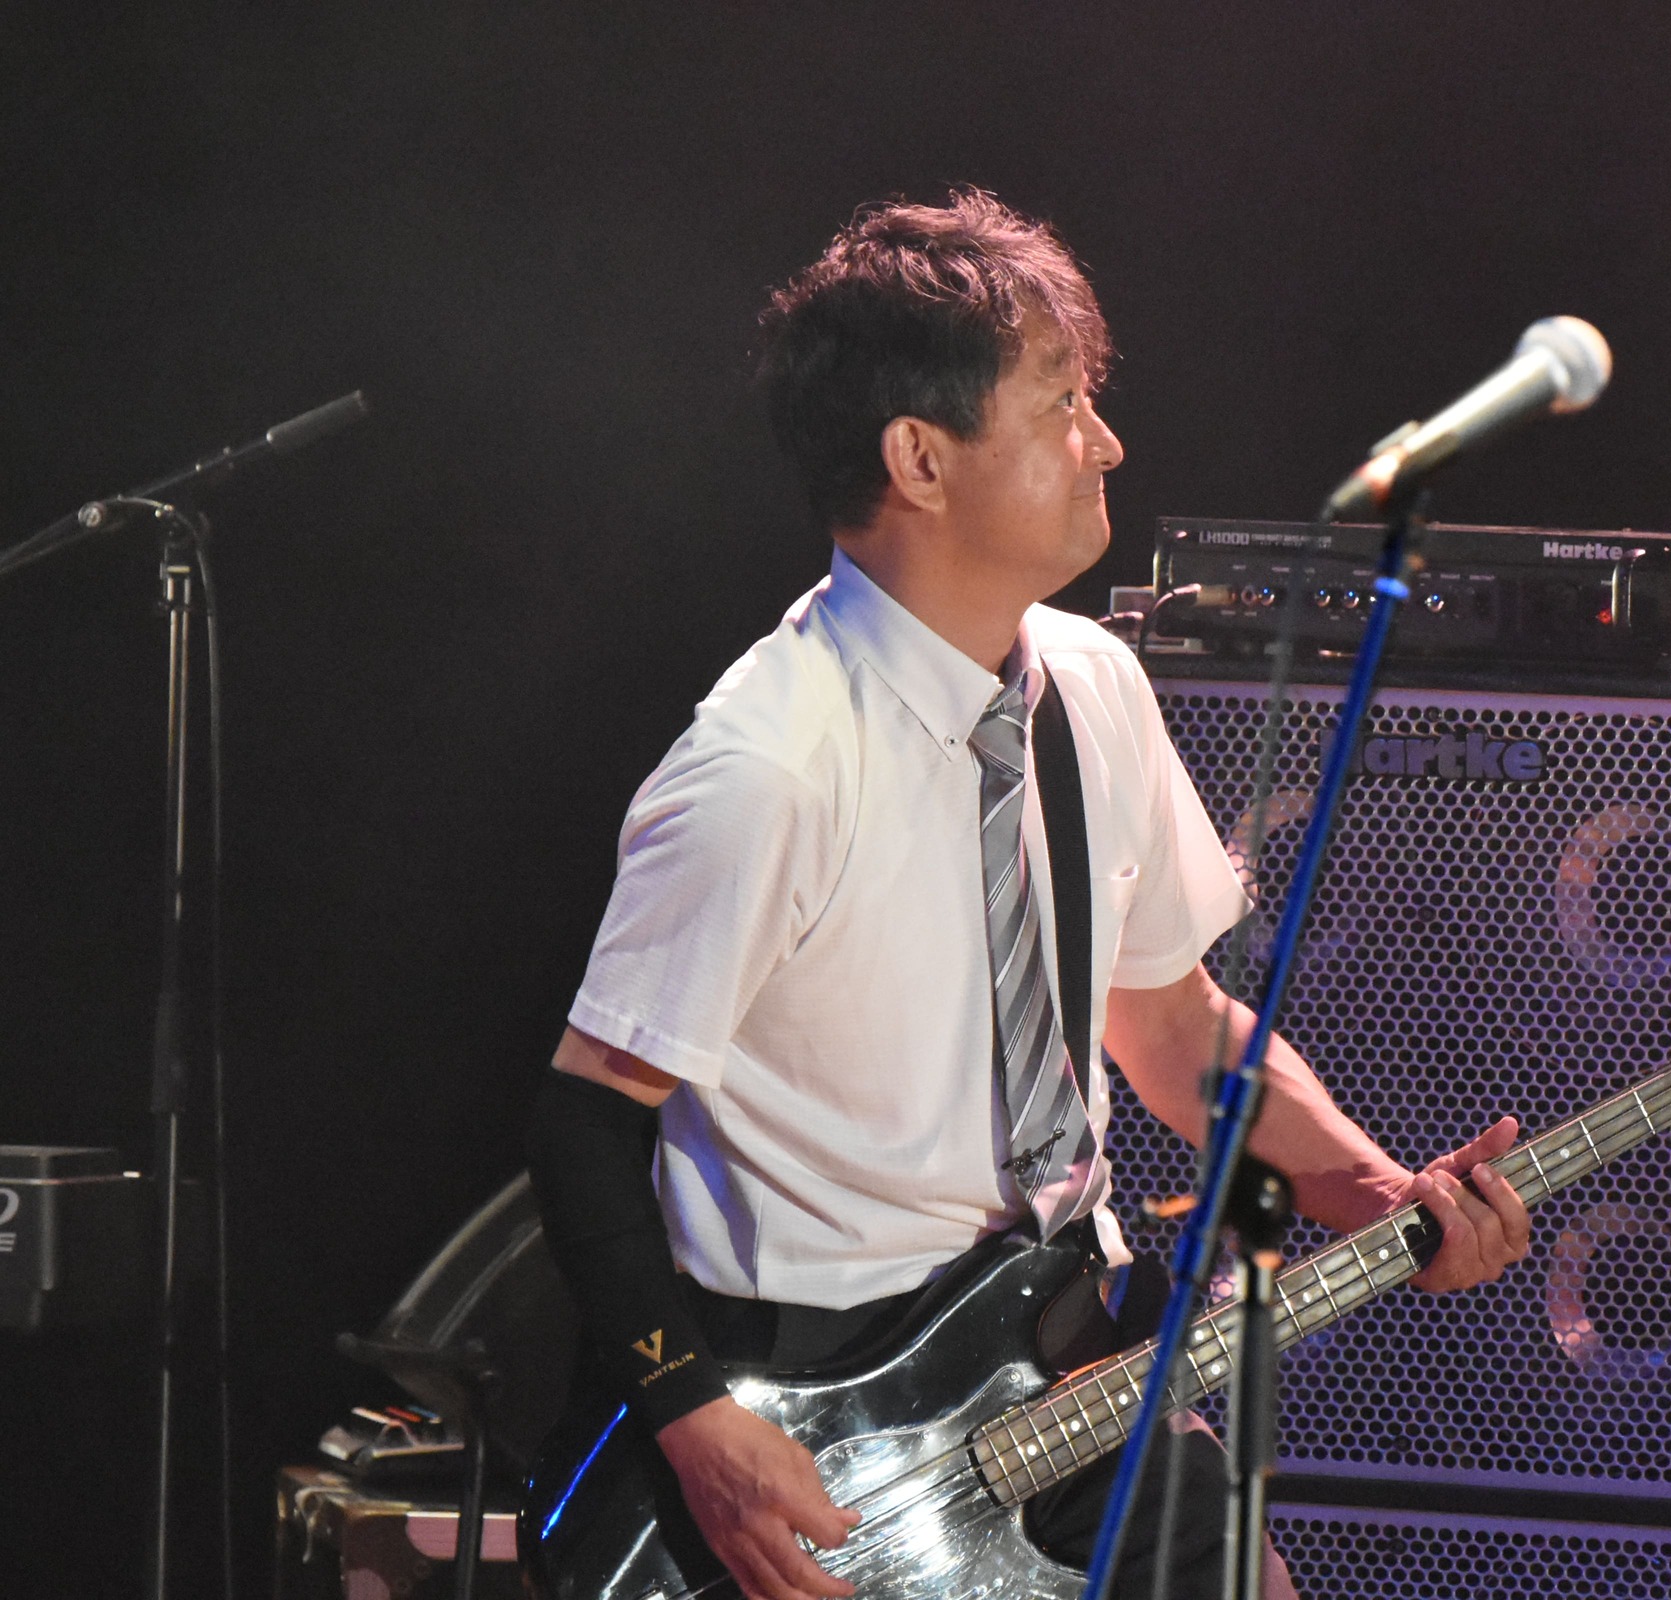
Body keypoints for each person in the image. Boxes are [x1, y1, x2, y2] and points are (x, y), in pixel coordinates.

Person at [524, 189, 1532, 1600]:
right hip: (826, 1416)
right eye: (1061, 404)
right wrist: (692, 1421)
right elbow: (583, 1124)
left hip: (1065, 1361)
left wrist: (1367, 1188)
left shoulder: (1095, 685)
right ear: (920, 459)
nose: (1104, 442)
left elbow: (1170, 1026)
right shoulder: (768, 768)